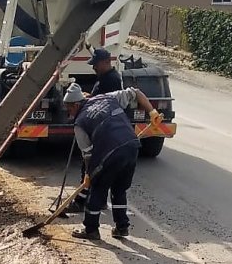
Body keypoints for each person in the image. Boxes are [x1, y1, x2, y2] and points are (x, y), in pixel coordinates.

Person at [63, 81, 162, 241]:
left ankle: (91, 230)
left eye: (69, 109)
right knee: (119, 189)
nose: (69, 113)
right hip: (131, 146)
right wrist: (152, 112)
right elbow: (136, 92)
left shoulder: (80, 124)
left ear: (75, 105)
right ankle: (122, 227)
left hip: (111, 152)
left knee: (97, 188)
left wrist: (89, 175)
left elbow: (88, 155)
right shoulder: (107, 98)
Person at [73, 50, 122, 209]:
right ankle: (97, 201)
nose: (93, 67)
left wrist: (88, 99)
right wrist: (89, 97)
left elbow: (104, 102)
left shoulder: (111, 80)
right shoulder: (104, 78)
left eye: (96, 64)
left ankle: (83, 202)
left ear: (107, 62)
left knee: (90, 166)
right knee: (96, 167)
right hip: (102, 128)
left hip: (103, 129)